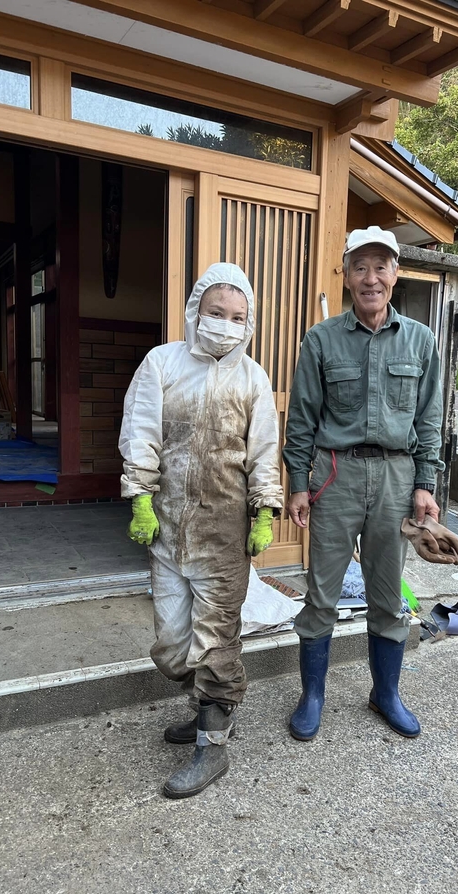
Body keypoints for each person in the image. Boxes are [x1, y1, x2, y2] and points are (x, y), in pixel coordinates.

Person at [119, 262, 283, 799]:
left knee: (216, 640)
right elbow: (141, 430)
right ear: (195, 312)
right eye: (216, 313)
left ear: (249, 322)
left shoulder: (253, 378)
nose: (225, 324)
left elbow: (262, 452)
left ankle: (213, 743)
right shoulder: (162, 362)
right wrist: (141, 498)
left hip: (224, 532)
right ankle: (205, 709)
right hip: (168, 528)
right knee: (171, 644)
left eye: (237, 317)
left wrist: (264, 510)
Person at [283, 226, 446, 742]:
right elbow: (302, 417)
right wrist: (296, 483)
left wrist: (425, 481)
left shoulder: (421, 341)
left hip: (397, 478)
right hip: (335, 474)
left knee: (386, 594)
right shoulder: (321, 339)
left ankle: (387, 693)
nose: (370, 278)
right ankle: (312, 695)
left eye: (382, 266)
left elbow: (430, 418)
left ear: (396, 274)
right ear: (347, 275)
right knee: (322, 594)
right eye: (360, 267)